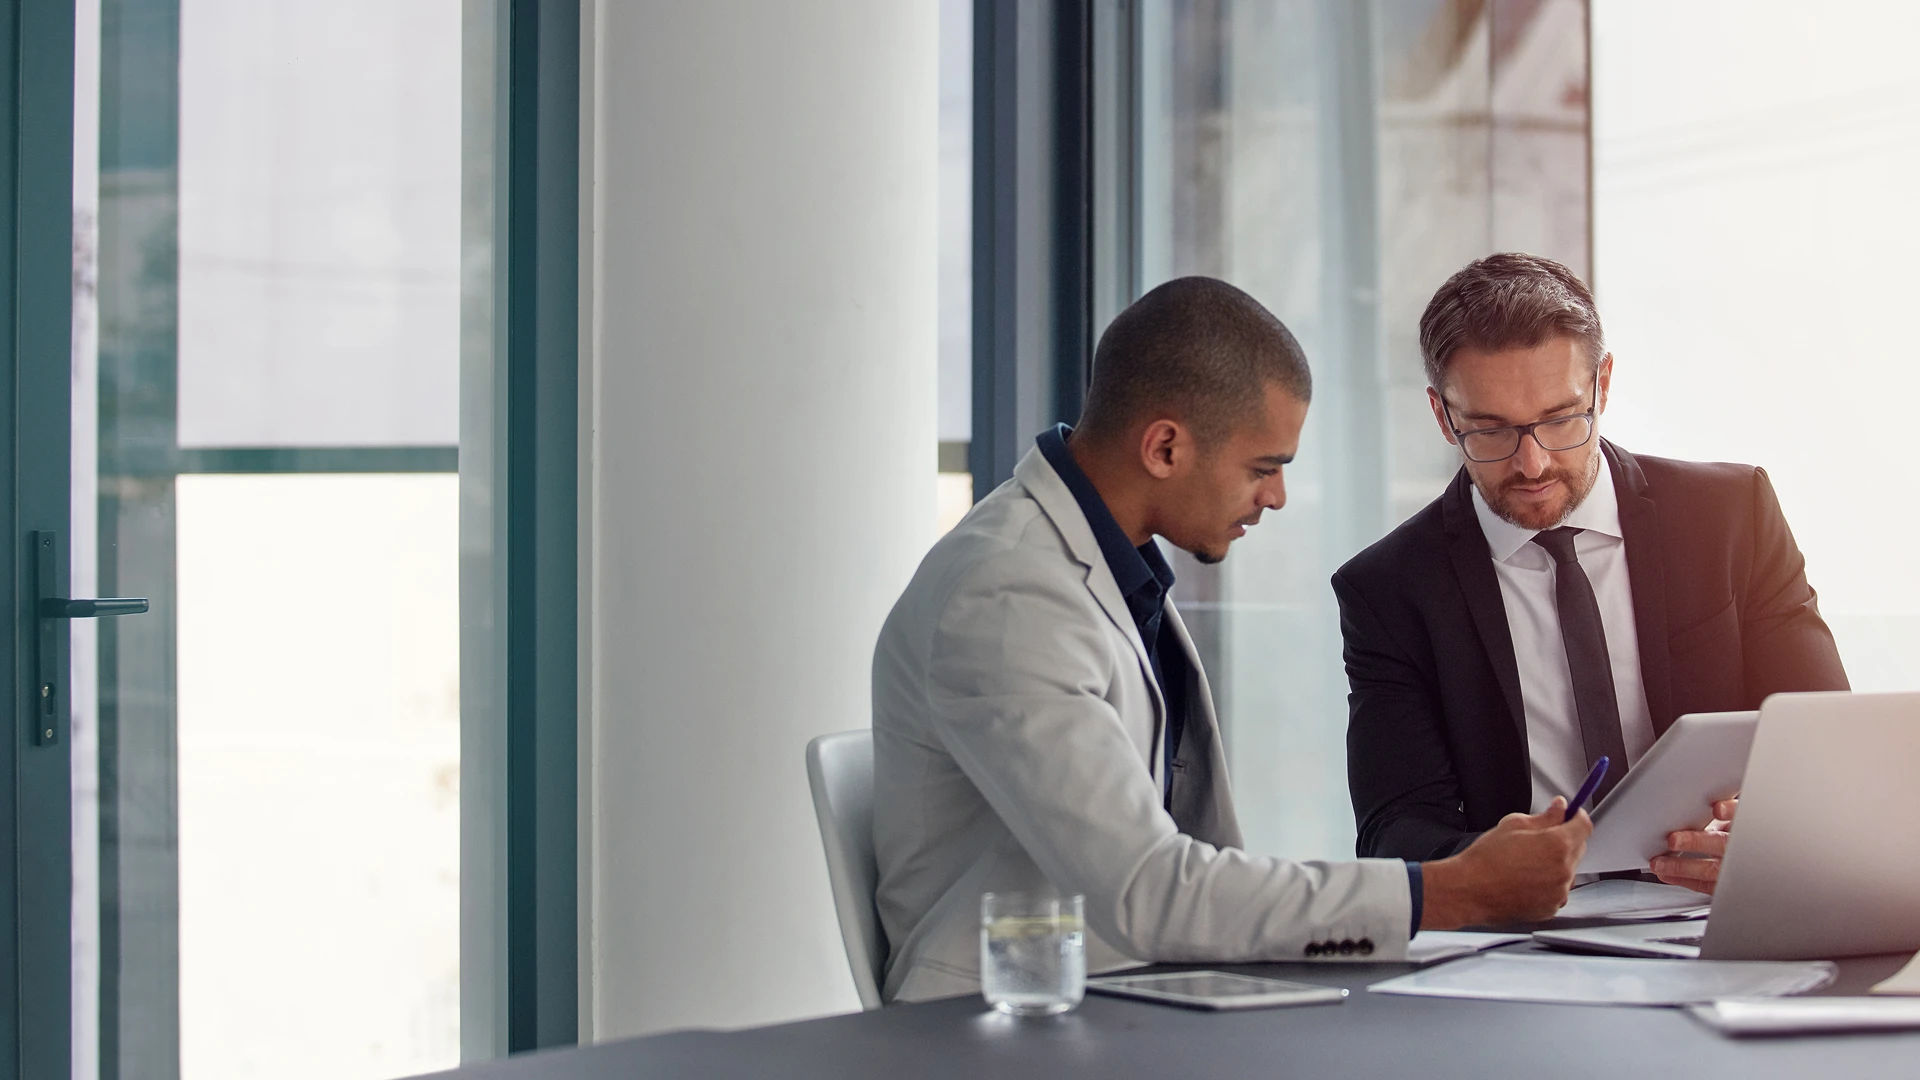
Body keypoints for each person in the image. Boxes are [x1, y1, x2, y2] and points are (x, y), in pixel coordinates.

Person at [871, 276, 1590, 1004]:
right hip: (1005, 1029)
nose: (1275, 497)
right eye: (1262, 468)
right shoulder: (1008, 594)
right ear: (1164, 446)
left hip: (1133, 1000)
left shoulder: (1108, 569)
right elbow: (1150, 891)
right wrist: (1448, 892)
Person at [1335, 253, 1848, 892]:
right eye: (1490, 431)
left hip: (1727, 906)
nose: (1532, 463)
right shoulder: (1389, 589)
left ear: (1602, 384)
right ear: (1444, 416)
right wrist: (1493, 867)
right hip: (1529, 934)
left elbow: (1832, 748)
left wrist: (1772, 836)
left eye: (1560, 419)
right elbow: (1395, 829)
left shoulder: (1730, 516)